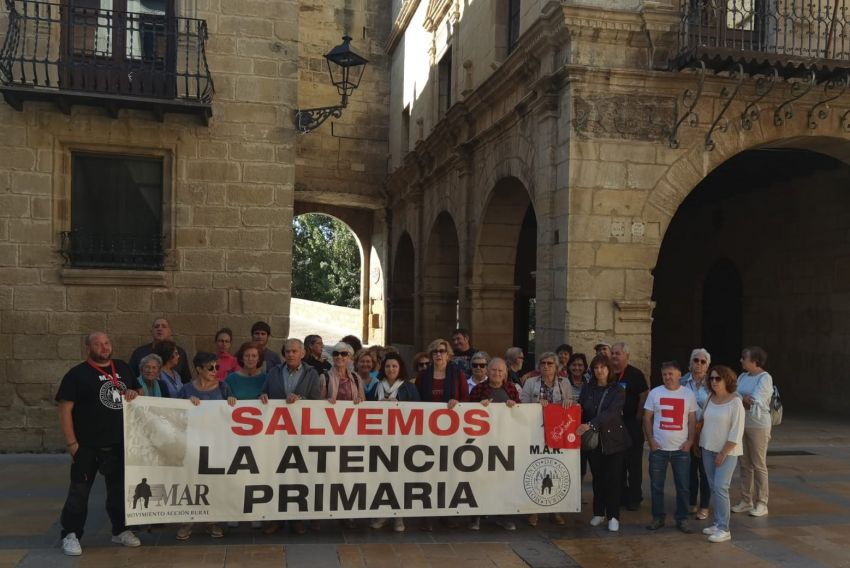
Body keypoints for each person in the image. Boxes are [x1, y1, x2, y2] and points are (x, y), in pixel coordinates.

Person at [56, 332, 142, 556]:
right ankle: (71, 534)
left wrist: (135, 393)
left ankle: (120, 530)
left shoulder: (123, 368)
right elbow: (65, 410)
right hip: (87, 446)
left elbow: (139, 393)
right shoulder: (77, 374)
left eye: (106, 343)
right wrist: (72, 443)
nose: (103, 347)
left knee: (118, 492)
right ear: (88, 348)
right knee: (79, 492)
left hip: (118, 444)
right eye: (98, 344)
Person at [260, 338, 322, 535]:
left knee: (298, 476)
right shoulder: (274, 372)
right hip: (276, 435)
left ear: (303, 353)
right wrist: (263, 398)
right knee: (275, 475)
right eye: (287, 351)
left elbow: (316, 401)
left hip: (301, 434)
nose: (291, 354)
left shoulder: (312, 373)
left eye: (295, 351)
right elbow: (264, 393)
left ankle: (296, 519)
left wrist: (300, 400)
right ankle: (275, 518)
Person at [176, 352, 237, 541]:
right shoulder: (185, 390)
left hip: (216, 445)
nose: (215, 371)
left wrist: (232, 403)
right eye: (210, 368)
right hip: (192, 445)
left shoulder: (224, 387)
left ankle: (213, 522)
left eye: (217, 367)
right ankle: (188, 522)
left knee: (214, 483)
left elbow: (233, 414)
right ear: (199, 369)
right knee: (190, 482)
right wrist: (187, 405)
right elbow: (175, 415)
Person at [576, 354, 629, 533]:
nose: (599, 371)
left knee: (613, 479)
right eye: (596, 367)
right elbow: (580, 408)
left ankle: (613, 516)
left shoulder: (618, 390)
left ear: (609, 370)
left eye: (603, 367)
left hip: (613, 440)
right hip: (594, 441)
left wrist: (590, 424)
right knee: (597, 478)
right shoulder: (587, 388)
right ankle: (599, 512)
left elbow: (612, 413)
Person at [520, 352, 573, 527]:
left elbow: (571, 404)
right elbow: (522, 406)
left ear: (556, 366)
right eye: (542, 363)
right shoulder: (530, 383)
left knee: (554, 469)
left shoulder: (564, 383)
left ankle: (554, 509)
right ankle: (532, 511)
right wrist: (536, 406)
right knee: (533, 468)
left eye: (550, 363)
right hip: (534, 432)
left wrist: (567, 402)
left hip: (557, 433)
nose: (546, 366)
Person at [644, 360, 697, 534]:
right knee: (656, 486)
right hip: (658, 449)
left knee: (683, 486)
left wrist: (690, 442)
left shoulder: (688, 394)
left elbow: (691, 420)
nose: (667, 377)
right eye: (665, 374)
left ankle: (682, 519)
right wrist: (651, 440)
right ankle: (657, 518)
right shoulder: (655, 393)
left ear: (679, 375)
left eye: (671, 374)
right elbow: (647, 418)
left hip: (680, 450)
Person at [371, 352, 420, 532]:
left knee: (399, 478)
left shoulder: (408, 388)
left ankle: (399, 516)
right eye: (388, 366)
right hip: (380, 439)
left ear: (400, 369)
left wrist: (399, 405)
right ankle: (382, 513)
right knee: (382, 478)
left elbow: (418, 411)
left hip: (402, 440)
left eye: (394, 366)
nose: (391, 369)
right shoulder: (377, 387)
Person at [469, 357, 519, 531]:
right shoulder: (478, 389)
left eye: (500, 371)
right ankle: (476, 517)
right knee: (480, 480)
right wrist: (478, 407)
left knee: (504, 480)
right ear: (487, 372)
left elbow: (520, 416)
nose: (497, 373)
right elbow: (467, 412)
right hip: (482, 444)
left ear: (505, 374)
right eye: (493, 370)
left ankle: (503, 517)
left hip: (505, 444)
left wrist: (515, 406)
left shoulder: (511, 390)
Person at [700, 365, 745, 543]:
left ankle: (724, 528)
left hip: (727, 451)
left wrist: (723, 453)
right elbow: (702, 420)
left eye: (718, 378)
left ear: (727, 380)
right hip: (707, 448)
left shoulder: (736, 402)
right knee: (713, 487)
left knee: (721, 487)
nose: (714, 382)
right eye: (711, 378)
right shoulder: (710, 398)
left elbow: (736, 432)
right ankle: (717, 522)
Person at [731, 346, 774, 518]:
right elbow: (734, 395)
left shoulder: (765, 378)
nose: (741, 360)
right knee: (744, 463)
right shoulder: (742, 376)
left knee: (758, 463)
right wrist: (742, 399)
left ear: (755, 361)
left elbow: (754, 400)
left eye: (744, 358)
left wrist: (741, 398)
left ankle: (762, 502)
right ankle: (746, 500)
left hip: (758, 425)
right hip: (743, 423)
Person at [611, 341, 649, 510]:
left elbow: (643, 395)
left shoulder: (635, 374)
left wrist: (638, 417)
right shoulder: (609, 373)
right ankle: (621, 496)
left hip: (631, 424)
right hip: (613, 426)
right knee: (617, 463)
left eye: (617, 353)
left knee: (633, 464)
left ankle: (634, 498)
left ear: (627, 356)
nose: (614, 356)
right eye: (612, 353)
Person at [682, 348, 712, 520]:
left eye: (702, 361)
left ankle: (705, 506)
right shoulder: (682, 381)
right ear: (690, 363)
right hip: (687, 431)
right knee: (689, 469)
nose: (698, 364)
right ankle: (692, 502)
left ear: (707, 365)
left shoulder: (713, 381)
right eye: (696, 360)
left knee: (704, 469)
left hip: (706, 431)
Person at [416, 338, 469, 409]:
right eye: (435, 351)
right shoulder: (422, 376)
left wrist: (457, 403)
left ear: (447, 355)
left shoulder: (458, 375)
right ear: (431, 355)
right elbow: (416, 399)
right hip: (427, 417)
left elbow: (465, 398)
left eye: (442, 351)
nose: (438, 354)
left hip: (452, 415)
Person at [566, 352, 590, 477]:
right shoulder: (563, 382)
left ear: (585, 367)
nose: (577, 368)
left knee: (582, 466)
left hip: (584, 426)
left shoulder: (590, 383)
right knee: (568, 463)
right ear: (569, 366)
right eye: (574, 365)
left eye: (580, 365)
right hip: (567, 427)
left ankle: (577, 495)